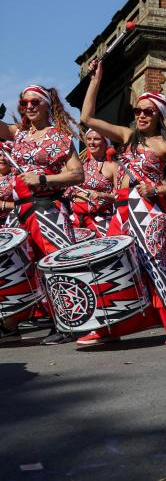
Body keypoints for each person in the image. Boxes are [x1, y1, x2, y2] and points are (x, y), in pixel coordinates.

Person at [79, 63, 166, 346]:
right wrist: (96, 79)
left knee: (159, 267)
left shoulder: (164, 146)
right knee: (112, 265)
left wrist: (157, 188)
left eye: (148, 111)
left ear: (159, 115)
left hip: (150, 213)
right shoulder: (127, 136)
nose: (142, 115)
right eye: (138, 111)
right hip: (122, 211)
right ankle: (109, 327)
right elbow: (86, 117)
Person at [0, 85, 85, 344]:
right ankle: (10, 324)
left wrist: (43, 178)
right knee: (15, 266)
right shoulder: (19, 133)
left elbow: (77, 174)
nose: (29, 106)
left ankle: (67, 323)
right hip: (19, 211)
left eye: (35, 102)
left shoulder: (59, 137)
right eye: (24, 102)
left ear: (48, 104)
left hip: (47, 209)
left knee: (53, 265)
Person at [69, 128, 117, 236]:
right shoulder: (78, 165)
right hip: (76, 221)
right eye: (89, 139)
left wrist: (101, 195)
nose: (92, 142)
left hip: (101, 221)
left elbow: (120, 196)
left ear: (106, 143)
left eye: (96, 139)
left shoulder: (113, 166)